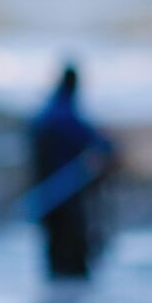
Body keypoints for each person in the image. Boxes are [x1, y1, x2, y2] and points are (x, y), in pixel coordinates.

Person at [28, 64, 117, 279]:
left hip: (44, 195)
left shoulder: (43, 115)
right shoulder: (67, 116)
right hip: (66, 194)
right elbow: (99, 143)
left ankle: (59, 299)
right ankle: (71, 302)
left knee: (54, 254)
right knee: (75, 256)